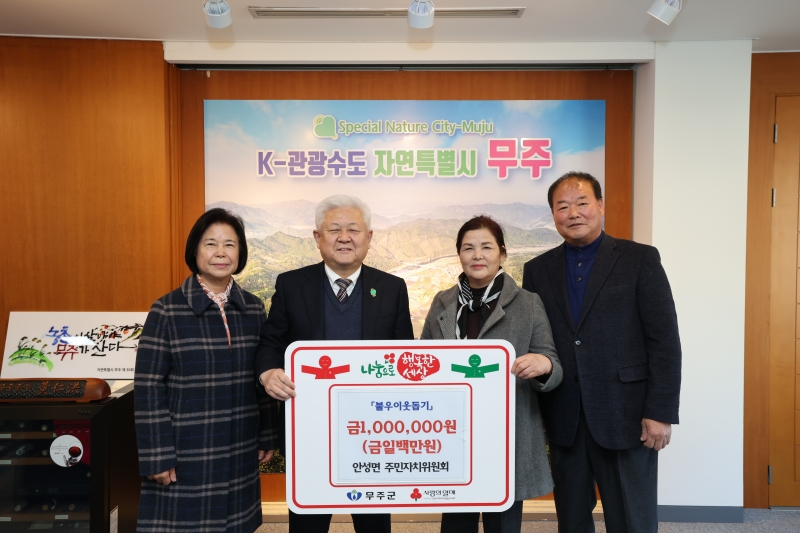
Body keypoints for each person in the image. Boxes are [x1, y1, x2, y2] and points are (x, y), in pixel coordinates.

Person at [522, 172, 682, 533]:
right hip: (566, 417)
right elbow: (537, 341)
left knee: (632, 520)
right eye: (563, 206)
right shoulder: (537, 270)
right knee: (572, 520)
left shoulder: (639, 259)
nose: (573, 213)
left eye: (582, 203)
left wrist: (659, 412)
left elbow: (664, 341)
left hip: (626, 415)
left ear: (601, 205)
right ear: (553, 214)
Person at [255, 194, 414, 533]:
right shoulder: (291, 285)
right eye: (334, 230)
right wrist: (268, 372)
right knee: (308, 523)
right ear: (318, 237)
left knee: (374, 525)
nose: (344, 238)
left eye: (353, 229)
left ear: (368, 237)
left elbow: (403, 357)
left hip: (373, 431)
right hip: (309, 426)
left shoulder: (392, 288)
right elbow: (271, 341)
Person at [134, 208, 278, 533]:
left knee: (236, 525)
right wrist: (157, 455)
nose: (220, 253)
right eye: (210, 244)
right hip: (187, 449)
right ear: (195, 251)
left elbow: (263, 375)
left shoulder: (253, 308)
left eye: (230, 244)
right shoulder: (166, 310)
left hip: (241, 444)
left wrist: (267, 433)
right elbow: (148, 388)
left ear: (240, 253)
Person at [421, 215, 563, 533]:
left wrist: (543, 365)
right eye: (468, 248)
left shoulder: (528, 303)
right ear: (459, 254)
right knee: (456, 522)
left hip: (507, 430)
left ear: (502, 253)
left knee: (503, 522)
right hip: (452, 430)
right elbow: (424, 361)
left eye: (486, 247)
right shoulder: (442, 303)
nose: (477, 255)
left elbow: (553, 365)